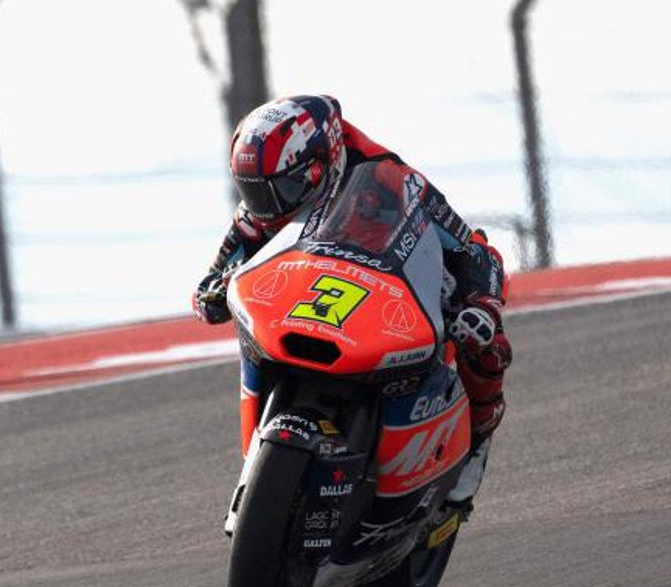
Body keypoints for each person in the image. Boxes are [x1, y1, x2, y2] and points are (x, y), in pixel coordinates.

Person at [191, 94, 512, 515]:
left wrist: (482, 305)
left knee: (486, 344)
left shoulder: (395, 180)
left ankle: (475, 448)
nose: (266, 207)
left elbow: (476, 252)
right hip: (310, 300)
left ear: (322, 163)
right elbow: (209, 286)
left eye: (279, 190)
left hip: (396, 289)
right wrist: (215, 291)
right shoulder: (266, 201)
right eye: (251, 191)